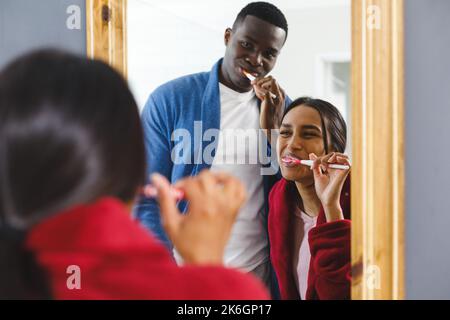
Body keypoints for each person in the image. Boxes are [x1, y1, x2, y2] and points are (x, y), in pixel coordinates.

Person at [0, 49, 269, 300]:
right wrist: (208, 272)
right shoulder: (225, 293)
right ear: (134, 163)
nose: (256, 59)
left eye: (269, 52)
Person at [135, 1, 291, 294]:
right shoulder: (170, 100)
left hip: (255, 275)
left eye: (269, 53)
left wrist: (274, 129)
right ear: (228, 37)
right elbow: (148, 197)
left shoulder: (286, 110)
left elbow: (292, 198)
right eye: (246, 44)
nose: (256, 59)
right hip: (182, 272)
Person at [264, 97, 351, 300]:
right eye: (285, 133)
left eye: (309, 134)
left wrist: (331, 207)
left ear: (333, 149)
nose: (292, 144)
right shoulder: (278, 198)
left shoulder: (364, 203)